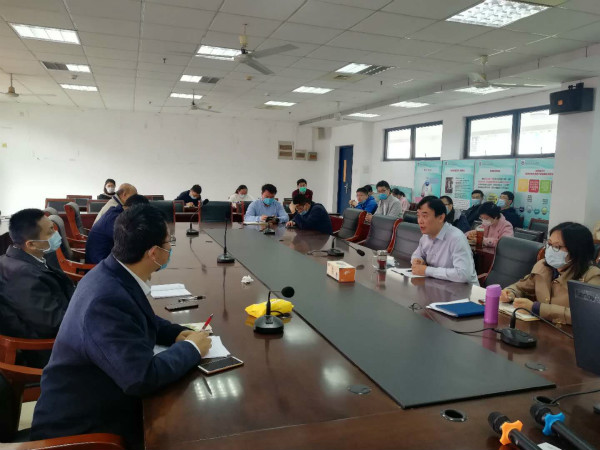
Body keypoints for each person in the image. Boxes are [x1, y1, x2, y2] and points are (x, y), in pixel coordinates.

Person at [31, 204, 212, 448]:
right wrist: (192, 348)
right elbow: (141, 378)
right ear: (154, 253)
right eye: (169, 243)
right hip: (82, 428)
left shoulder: (113, 271)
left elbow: (138, 317)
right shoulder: (106, 300)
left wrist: (177, 333)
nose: (170, 248)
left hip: (104, 393)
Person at [0, 209, 74, 368]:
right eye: (50, 232)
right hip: (50, 350)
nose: (56, 235)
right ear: (31, 244)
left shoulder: (27, 258)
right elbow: (54, 323)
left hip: (64, 324)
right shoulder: (23, 276)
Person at [500, 222, 600, 324]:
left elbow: (585, 315)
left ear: (576, 250)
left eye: (556, 246)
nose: (551, 250)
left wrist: (536, 308)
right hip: (540, 327)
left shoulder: (592, 276)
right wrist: (510, 293)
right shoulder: (543, 266)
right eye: (549, 244)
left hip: (569, 332)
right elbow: (521, 287)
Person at [411, 197, 479, 285]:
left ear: (441, 218)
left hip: (464, 289)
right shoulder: (426, 236)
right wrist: (417, 260)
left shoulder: (456, 238)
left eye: (425, 216)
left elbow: (463, 274)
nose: (420, 221)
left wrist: (427, 270)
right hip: (439, 285)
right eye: (418, 216)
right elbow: (417, 254)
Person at [85, 195, 149, 264]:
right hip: (99, 263)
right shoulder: (114, 218)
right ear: (132, 209)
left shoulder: (116, 212)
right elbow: (130, 241)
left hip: (104, 258)